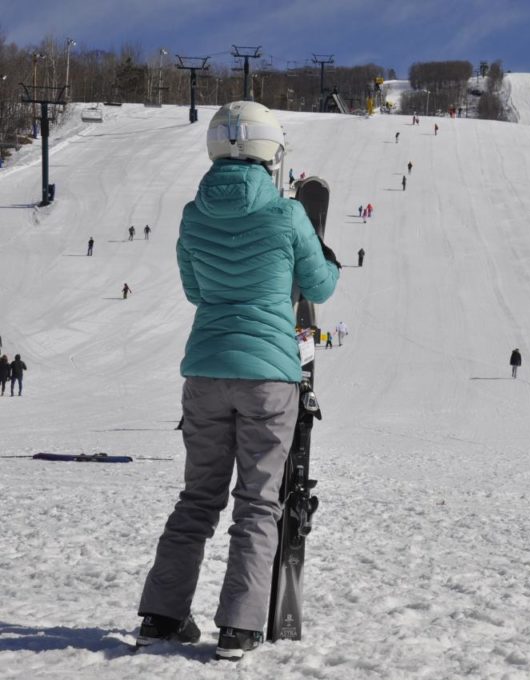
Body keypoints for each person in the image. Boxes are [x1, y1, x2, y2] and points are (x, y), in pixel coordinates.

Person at [135, 100, 340, 661]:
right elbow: (319, 289)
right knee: (257, 501)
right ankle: (240, 627)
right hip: (269, 378)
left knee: (197, 497)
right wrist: (324, 257)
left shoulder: (192, 214)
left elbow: (196, 292)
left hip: (204, 370)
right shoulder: (285, 214)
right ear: (271, 150)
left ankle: (161, 613)